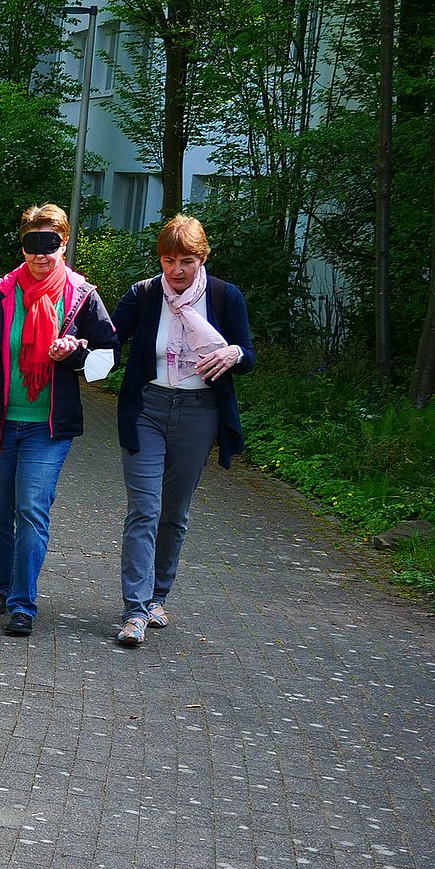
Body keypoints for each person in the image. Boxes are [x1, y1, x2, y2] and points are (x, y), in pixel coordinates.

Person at [0, 203, 117, 636]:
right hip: (2, 422)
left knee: (31, 510)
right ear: (23, 245)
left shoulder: (81, 295)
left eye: (51, 244)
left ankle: (22, 604)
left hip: (49, 427)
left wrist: (77, 353)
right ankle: (1, 586)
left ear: (64, 243)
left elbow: (108, 357)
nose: (41, 254)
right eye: (33, 244)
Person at [108, 214, 255, 646]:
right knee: (144, 510)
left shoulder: (226, 297)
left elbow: (248, 355)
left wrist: (232, 354)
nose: (176, 270)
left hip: (199, 411)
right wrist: (79, 345)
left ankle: (157, 598)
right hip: (147, 409)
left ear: (201, 258)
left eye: (186, 260)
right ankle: (133, 612)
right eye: (169, 260)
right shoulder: (144, 294)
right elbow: (109, 338)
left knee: (175, 512)